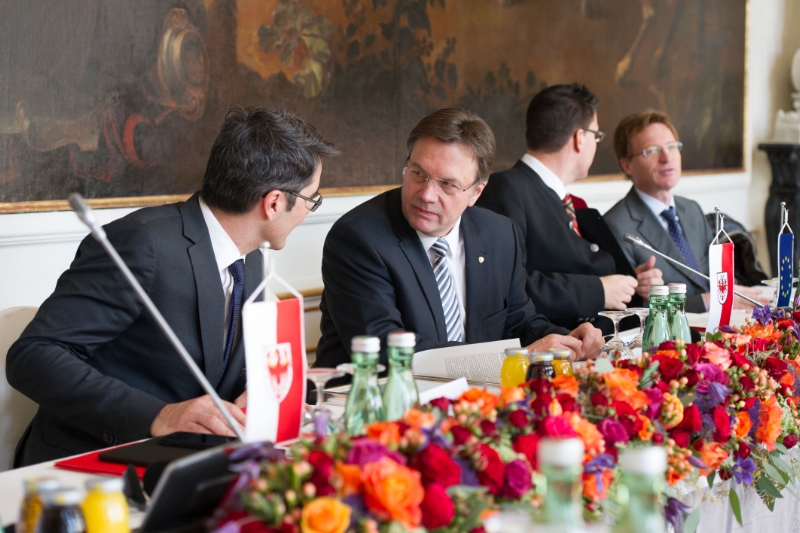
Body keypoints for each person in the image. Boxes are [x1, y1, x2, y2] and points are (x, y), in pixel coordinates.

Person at [7, 107, 338, 466]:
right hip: (93, 461)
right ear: (273, 203)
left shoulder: (251, 255)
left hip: (193, 461)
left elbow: (221, 365)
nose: (309, 211)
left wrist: (256, 391)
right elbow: (33, 355)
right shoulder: (141, 243)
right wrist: (158, 415)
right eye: (312, 200)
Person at [314, 108, 603, 372]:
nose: (427, 194)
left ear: (476, 192)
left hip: (476, 398)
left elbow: (520, 322)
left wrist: (568, 340)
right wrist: (520, 358)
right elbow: (388, 352)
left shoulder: (499, 234)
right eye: (418, 173)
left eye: (448, 184)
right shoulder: (359, 239)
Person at [476, 84, 663, 332]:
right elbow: (503, 286)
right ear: (579, 138)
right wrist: (598, 291)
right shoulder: (505, 189)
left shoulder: (558, 197)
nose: (596, 143)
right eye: (596, 136)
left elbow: (569, 264)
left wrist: (630, 284)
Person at [603, 110, 767, 312]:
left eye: (672, 146)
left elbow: (713, 277)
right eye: (652, 150)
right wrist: (704, 302)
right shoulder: (615, 226)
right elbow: (627, 313)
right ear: (627, 165)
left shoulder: (691, 209)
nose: (666, 157)